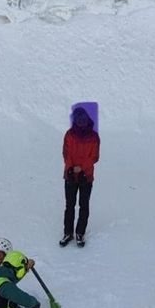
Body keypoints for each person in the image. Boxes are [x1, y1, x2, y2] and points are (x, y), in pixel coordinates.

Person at [60, 103, 100, 247]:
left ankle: (80, 233)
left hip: (86, 177)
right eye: (78, 121)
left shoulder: (94, 137)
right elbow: (66, 153)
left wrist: (82, 168)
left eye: (83, 121)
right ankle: (68, 233)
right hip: (70, 176)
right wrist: (71, 168)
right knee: (69, 205)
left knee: (84, 205)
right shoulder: (69, 135)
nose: (81, 124)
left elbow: (94, 156)